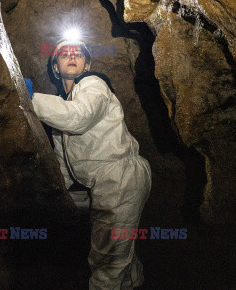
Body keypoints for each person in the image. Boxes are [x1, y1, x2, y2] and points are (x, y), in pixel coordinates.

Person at [30, 39, 152, 290]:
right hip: (107, 184)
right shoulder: (61, 108)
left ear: (87, 64)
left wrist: (28, 98)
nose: (72, 55)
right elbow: (64, 162)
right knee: (120, 259)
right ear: (55, 67)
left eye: (78, 53)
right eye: (64, 54)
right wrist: (57, 197)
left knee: (106, 263)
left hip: (119, 177)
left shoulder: (93, 85)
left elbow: (79, 117)